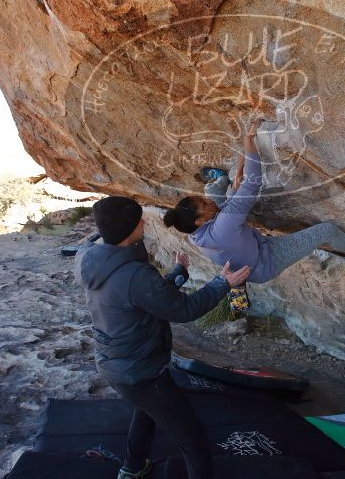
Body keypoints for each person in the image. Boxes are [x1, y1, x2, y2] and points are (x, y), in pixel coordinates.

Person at [74, 196, 250, 479]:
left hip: (115, 364)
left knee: (147, 411)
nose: (143, 222)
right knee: (192, 440)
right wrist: (222, 283)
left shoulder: (92, 258)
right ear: (129, 228)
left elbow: (142, 297)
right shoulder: (134, 274)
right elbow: (184, 309)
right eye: (138, 219)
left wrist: (178, 274)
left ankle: (132, 467)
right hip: (141, 373)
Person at [163, 119, 345, 312]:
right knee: (326, 230)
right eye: (203, 205)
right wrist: (249, 142)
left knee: (216, 189)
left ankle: (220, 177)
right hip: (268, 260)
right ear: (200, 221)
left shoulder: (194, 234)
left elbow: (226, 208)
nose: (208, 202)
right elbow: (252, 183)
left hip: (243, 241)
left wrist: (239, 169)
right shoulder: (222, 225)